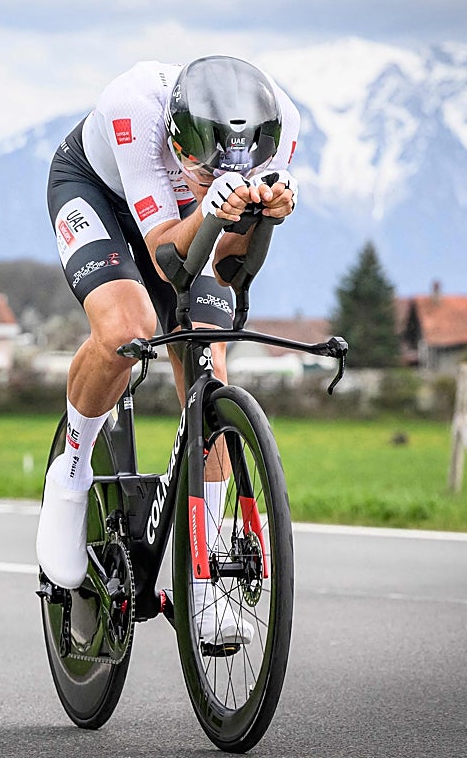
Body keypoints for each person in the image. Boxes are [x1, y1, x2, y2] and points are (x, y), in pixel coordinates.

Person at [36, 55, 300, 650]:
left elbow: (227, 269)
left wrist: (264, 219)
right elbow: (165, 258)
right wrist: (209, 205)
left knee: (208, 357)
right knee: (126, 330)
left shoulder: (281, 124)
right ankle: (70, 476)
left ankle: (204, 578)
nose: (210, 178)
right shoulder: (135, 107)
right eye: (200, 169)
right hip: (99, 194)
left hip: (186, 218)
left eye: (224, 171)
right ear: (179, 143)